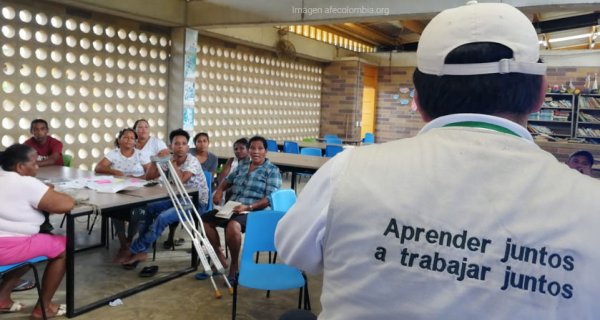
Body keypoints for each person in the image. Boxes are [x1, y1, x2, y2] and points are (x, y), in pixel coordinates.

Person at [275, 2, 600, 319]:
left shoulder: (347, 171)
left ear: (417, 98)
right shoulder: (590, 206)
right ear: (541, 93)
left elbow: (293, 250)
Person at [0, 144, 75, 319]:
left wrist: (42, 189)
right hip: (6, 248)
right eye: (34, 163)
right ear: (20, 167)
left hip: (12, 243)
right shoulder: (25, 182)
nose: (37, 166)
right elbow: (65, 205)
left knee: (36, 243)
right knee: (64, 247)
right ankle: (44, 307)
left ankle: (2, 297)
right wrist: (48, 191)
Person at [121, 129, 209, 266]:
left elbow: (182, 181)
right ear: (170, 146)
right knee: (148, 209)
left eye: (184, 143)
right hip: (176, 198)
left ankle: (134, 249)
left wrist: (171, 162)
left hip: (195, 202)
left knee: (163, 217)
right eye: (177, 143)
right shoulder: (169, 158)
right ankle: (141, 251)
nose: (180, 147)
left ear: (188, 146)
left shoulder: (192, 161)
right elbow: (149, 177)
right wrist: (155, 160)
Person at [203, 136, 281, 282]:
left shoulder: (272, 171)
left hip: (255, 211)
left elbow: (270, 198)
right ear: (249, 150)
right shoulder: (243, 165)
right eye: (252, 148)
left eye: (260, 148)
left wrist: (249, 207)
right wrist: (219, 191)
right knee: (205, 221)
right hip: (233, 207)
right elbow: (228, 180)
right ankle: (219, 254)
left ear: (266, 151)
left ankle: (234, 265)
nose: (256, 151)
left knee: (233, 226)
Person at [95, 128, 158, 261]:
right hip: (118, 191)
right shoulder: (114, 153)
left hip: (138, 191)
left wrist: (136, 178)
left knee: (137, 212)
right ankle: (124, 244)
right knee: (115, 212)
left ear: (135, 142)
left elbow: (150, 174)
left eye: (131, 138)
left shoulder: (140, 154)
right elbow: (99, 168)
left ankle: (129, 240)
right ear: (119, 140)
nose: (128, 140)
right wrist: (116, 172)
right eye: (125, 137)